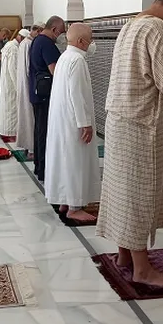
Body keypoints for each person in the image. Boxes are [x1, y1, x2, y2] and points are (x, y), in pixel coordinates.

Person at [95, 0, 163, 288]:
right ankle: (142, 269)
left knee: (123, 191)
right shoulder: (157, 28)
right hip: (142, 124)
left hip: (120, 120)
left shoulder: (131, 25)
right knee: (139, 194)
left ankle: (125, 255)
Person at [45, 23, 101, 222]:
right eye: (90, 38)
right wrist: (84, 123)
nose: (92, 42)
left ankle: (65, 200)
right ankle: (75, 207)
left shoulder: (64, 57)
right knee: (76, 161)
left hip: (63, 120)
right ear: (81, 41)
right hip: (73, 122)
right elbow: (77, 95)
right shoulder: (77, 60)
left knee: (66, 161)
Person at [29, 16, 67, 182]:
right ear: (54, 29)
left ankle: (39, 166)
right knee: (45, 132)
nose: (62, 36)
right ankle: (44, 170)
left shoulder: (37, 40)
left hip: (37, 92)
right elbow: (55, 71)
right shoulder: (47, 43)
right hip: (45, 94)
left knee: (39, 130)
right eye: (62, 32)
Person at [0, 28, 28, 137]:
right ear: (22, 38)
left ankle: (6, 130)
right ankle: (10, 132)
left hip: (6, 82)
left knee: (7, 108)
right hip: (11, 84)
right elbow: (13, 69)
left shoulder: (9, 45)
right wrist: (19, 87)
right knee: (11, 109)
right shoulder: (13, 48)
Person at [16, 24, 43, 152]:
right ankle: (31, 147)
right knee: (29, 116)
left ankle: (29, 146)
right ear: (38, 31)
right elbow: (29, 68)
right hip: (28, 83)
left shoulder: (24, 43)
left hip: (23, 83)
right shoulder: (28, 44)